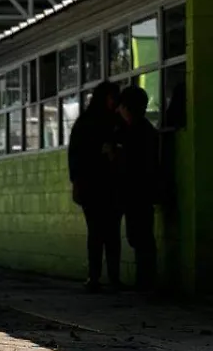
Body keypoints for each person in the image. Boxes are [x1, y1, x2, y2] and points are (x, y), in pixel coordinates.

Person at [68, 80, 123, 292]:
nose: (115, 102)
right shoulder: (89, 124)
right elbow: (76, 156)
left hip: (108, 185)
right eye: (112, 97)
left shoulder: (109, 122)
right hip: (94, 185)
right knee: (100, 232)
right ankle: (98, 276)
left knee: (109, 233)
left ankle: (105, 277)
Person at [118, 85, 159, 292]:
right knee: (142, 236)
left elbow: (130, 164)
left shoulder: (135, 133)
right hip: (143, 191)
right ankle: (145, 281)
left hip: (136, 192)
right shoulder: (145, 131)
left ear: (127, 107)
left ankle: (146, 282)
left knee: (140, 237)